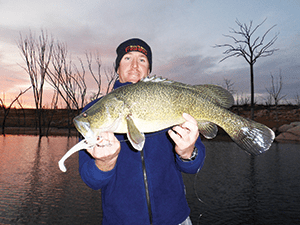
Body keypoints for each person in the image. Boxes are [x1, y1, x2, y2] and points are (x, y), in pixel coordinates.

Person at [79, 38, 206, 225]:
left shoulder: (170, 100)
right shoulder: (95, 112)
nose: (134, 66)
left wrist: (188, 153)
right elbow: (91, 180)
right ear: (117, 69)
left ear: (149, 71)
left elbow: (194, 165)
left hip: (175, 219)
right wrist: (104, 163)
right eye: (127, 58)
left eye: (142, 60)